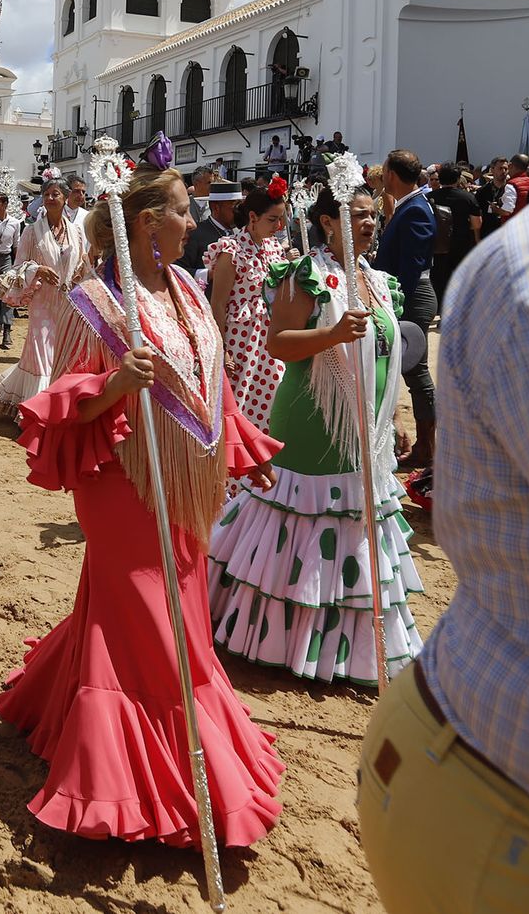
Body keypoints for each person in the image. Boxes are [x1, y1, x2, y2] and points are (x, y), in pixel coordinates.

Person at [357, 28, 529, 912]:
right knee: (424, 397)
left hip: (414, 312)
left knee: (426, 399)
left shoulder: (430, 213)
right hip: (520, 820)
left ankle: (425, 453)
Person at [0, 160, 285, 848]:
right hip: (123, 481)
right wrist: (116, 384)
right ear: (148, 224)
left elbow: (206, 381)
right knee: (148, 617)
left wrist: (238, 444)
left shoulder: (186, 287)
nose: (196, 219)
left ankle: (67, 701)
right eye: (185, 210)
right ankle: (125, 770)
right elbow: (66, 403)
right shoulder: (93, 301)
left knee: (163, 608)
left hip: (186, 483)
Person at [208, 181, 423, 685]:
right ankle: (278, 640)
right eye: (360, 215)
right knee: (301, 525)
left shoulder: (376, 279)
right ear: (328, 222)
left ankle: (346, 651)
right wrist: (330, 334)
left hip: (363, 433)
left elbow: (383, 357)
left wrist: (391, 420)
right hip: (311, 423)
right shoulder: (303, 275)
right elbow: (279, 343)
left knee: (353, 530)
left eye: (374, 215)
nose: (370, 224)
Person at [0, 179, 88, 417]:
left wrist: (80, 275)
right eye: (47, 194)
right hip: (42, 302)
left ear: (65, 198)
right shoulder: (32, 232)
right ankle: (40, 410)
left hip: (68, 303)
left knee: (61, 352)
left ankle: (56, 402)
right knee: (41, 351)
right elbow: (16, 267)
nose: (50, 198)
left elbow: (84, 262)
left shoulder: (76, 232)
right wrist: (37, 270)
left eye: (55, 194)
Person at [204, 188, 290, 429]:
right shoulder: (231, 249)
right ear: (253, 217)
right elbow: (218, 304)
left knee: (276, 390)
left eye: (280, 218)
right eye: (272, 219)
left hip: (271, 335)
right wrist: (222, 348)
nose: (278, 225)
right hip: (240, 339)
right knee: (241, 399)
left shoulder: (274, 247)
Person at [372, 149, 437, 469]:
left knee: (415, 370)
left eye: (384, 172)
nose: (382, 178)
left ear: (393, 175)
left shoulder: (415, 210)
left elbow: (409, 268)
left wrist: (393, 303)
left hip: (411, 296)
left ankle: (426, 446)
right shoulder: (408, 206)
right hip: (406, 294)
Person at [426, 162, 482, 309]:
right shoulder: (468, 198)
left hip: (437, 245)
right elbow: (477, 224)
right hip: (461, 244)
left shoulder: (429, 197)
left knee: (438, 278)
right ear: (458, 179)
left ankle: (440, 310)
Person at [179, 177, 238, 275]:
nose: (238, 212)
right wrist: (208, 274)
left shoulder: (240, 233)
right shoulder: (194, 234)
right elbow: (178, 270)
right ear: (216, 208)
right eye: (234, 208)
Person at [0, 189, 18, 349]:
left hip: (6, 259)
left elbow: (16, 246)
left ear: (5, 204)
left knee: (7, 294)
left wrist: (18, 266)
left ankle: (7, 330)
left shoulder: (14, 223)